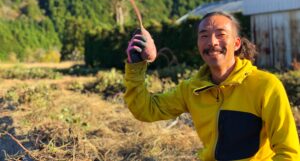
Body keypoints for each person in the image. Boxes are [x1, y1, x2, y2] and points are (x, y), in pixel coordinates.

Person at [123, 11, 300, 160]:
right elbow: (145, 109)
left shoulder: (266, 86)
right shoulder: (191, 90)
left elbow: (289, 153)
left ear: (236, 43)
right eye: (204, 36)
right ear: (199, 44)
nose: (212, 42)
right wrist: (136, 65)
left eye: (221, 34)